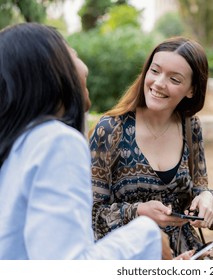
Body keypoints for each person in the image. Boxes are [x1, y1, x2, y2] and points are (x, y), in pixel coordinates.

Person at [0, 22, 164, 260]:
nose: (85, 67)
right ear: (50, 70)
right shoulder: (56, 142)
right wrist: (147, 236)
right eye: (73, 54)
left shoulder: (16, 146)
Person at [89, 36, 213, 257]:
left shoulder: (190, 127)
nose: (159, 83)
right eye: (155, 71)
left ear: (191, 90)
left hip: (188, 256)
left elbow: (199, 191)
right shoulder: (110, 130)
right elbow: (91, 216)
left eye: (174, 79)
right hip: (132, 258)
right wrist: (139, 212)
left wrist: (208, 198)